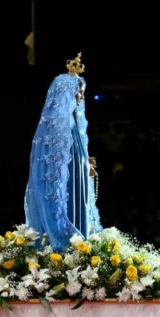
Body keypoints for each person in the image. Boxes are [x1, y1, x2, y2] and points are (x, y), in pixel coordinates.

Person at [24, 53, 102, 251]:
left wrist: (86, 166)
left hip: (77, 185)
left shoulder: (72, 124)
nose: (81, 97)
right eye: (78, 92)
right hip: (67, 190)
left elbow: (73, 160)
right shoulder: (54, 127)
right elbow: (54, 168)